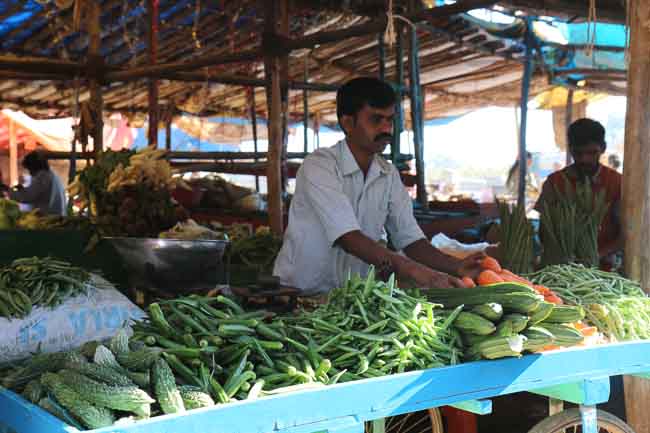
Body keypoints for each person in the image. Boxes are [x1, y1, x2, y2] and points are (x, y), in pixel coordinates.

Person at [273, 77, 484, 295]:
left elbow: (411, 240)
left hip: (352, 297)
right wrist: (423, 274)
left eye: (390, 120)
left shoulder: (388, 174)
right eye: (376, 120)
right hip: (300, 292)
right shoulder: (319, 166)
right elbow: (349, 238)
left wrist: (455, 266)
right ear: (347, 123)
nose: (386, 129)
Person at [535, 118, 622, 267]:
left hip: (604, 267)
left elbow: (627, 233)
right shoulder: (554, 183)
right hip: (560, 266)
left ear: (603, 148)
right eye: (578, 153)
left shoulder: (616, 182)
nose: (584, 159)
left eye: (592, 152)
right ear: (570, 149)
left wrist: (595, 255)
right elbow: (544, 230)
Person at [6, 151, 67, 216]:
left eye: (29, 169)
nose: (30, 172)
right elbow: (37, 192)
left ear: (34, 166)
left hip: (50, 217)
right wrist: (22, 190)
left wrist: (9, 191)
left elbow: (28, 196)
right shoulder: (51, 174)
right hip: (56, 215)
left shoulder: (42, 176)